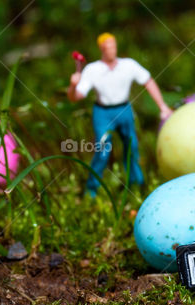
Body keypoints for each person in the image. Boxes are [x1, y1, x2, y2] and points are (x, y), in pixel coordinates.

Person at [68, 33, 172, 196]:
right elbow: (76, 97)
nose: (111, 50)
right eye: (107, 47)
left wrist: (162, 106)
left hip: (124, 110)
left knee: (132, 147)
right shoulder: (93, 69)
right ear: (101, 49)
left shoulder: (128, 65)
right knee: (102, 150)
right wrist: (73, 86)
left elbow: (148, 80)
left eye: (113, 46)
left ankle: (137, 184)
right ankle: (92, 189)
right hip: (103, 113)